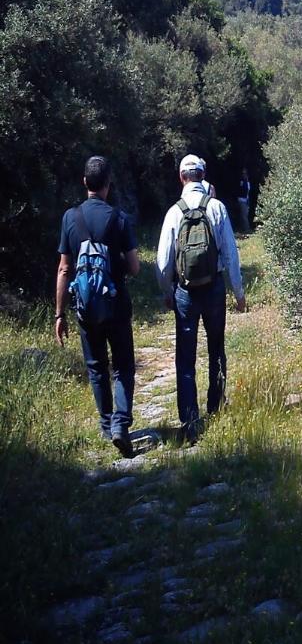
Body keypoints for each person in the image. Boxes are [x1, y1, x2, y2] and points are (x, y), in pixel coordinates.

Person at [156, 154, 246, 441]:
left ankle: (190, 422)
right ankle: (216, 407)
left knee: (185, 357)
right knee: (216, 347)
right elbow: (231, 254)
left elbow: (162, 261)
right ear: (204, 176)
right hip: (214, 288)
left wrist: (168, 292)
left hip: (185, 292)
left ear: (181, 177)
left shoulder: (173, 212)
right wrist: (239, 293)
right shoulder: (217, 208)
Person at [55, 156, 139, 456]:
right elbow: (134, 267)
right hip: (116, 303)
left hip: (85, 307)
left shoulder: (70, 218)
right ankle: (121, 423)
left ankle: (106, 425)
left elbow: (64, 269)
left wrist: (59, 313)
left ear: (84, 182)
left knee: (97, 367)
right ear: (108, 183)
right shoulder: (118, 218)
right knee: (124, 366)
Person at [237, 167, 252, 233]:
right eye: (243, 173)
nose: (245, 175)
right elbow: (241, 190)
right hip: (241, 200)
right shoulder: (242, 182)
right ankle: (246, 229)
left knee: (245, 215)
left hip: (246, 200)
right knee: (243, 215)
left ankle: (245, 228)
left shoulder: (248, 182)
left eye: (245, 173)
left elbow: (248, 192)